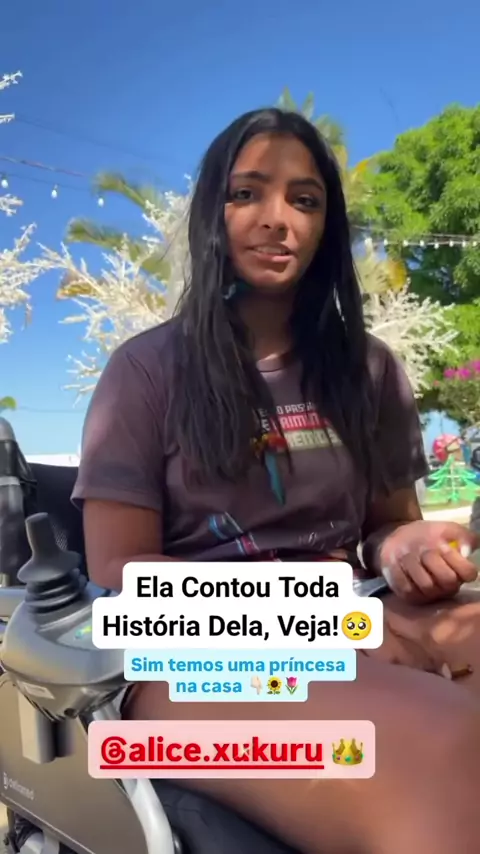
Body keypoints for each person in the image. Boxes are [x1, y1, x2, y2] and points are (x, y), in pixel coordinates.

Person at [72, 108, 480, 854]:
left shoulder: (369, 369)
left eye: (304, 199)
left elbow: (387, 524)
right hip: (182, 651)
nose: (276, 219)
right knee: (448, 740)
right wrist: (323, 622)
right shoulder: (144, 371)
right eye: (246, 193)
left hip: (359, 612)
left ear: (326, 226)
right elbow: (120, 571)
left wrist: (402, 548)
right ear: (211, 212)